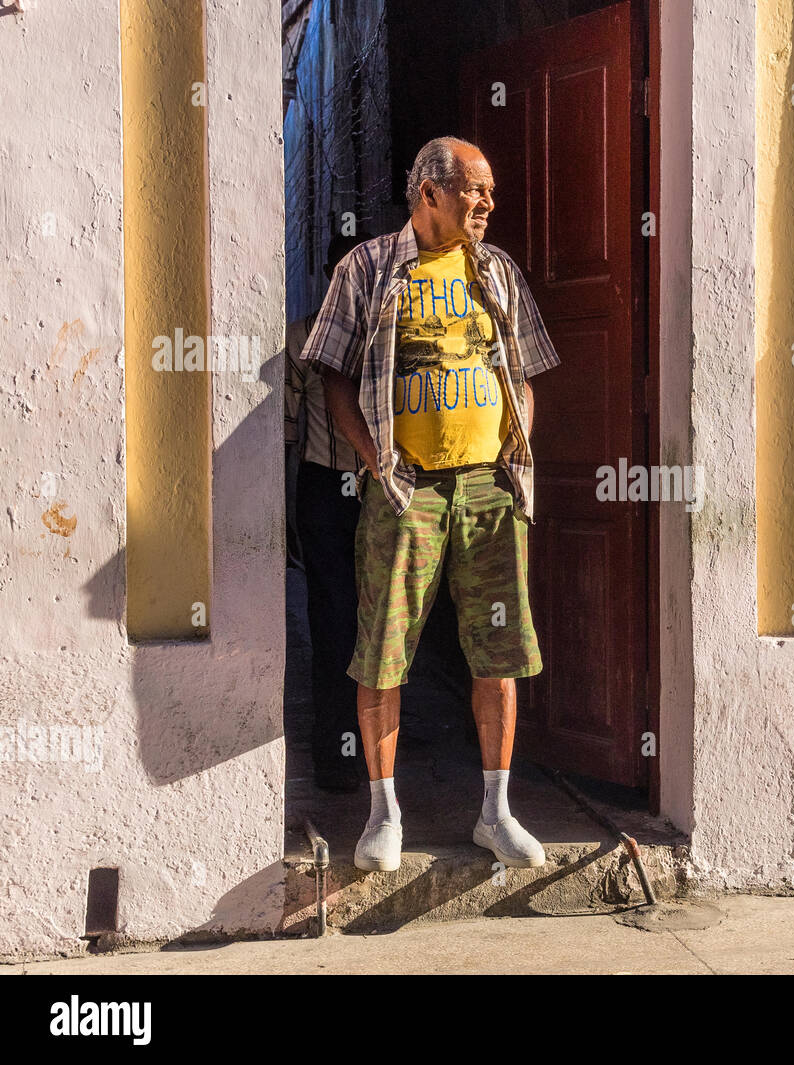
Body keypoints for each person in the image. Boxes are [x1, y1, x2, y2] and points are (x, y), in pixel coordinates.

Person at [300, 136, 561, 873]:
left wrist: (516, 448)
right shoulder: (370, 268)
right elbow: (333, 375)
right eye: (475, 191)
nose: (487, 204)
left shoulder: (499, 271)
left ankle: (496, 811)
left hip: (488, 489)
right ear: (430, 194)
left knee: (497, 653)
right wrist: (376, 456)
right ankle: (384, 814)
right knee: (383, 653)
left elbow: (528, 372)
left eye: (489, 193)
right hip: (405, 490)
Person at [284, 229, 372, 793]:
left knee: (382, 624)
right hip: (326, 488)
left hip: (384, 488)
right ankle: (338, 756)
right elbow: (288, 437)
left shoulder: (394, 340)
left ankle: (379, 759)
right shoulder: (302, 339)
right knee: (334, 621)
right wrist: (288, 520)